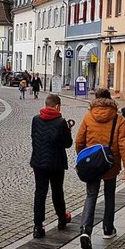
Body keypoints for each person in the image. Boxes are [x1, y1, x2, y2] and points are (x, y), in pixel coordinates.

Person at [76, 88, 125, 249]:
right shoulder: (119, 118)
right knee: (109, 196)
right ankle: (108, 229)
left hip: (92, 163)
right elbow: (124, 144)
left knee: (91, 195)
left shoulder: (88, 117)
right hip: (110, 162)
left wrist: (83, 158)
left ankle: (85, 230)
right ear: (110, 100)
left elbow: (79, 141)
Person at [30, 94, 74, 238]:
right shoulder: (61, 122)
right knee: (57, 192)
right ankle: (62, 218)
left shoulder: (36, 120)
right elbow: (67, 143)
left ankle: (38, 226)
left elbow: (34, 138)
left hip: (39, 162)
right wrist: (68, 131)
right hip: (56, 163)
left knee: (40, 193)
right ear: (57, 106)